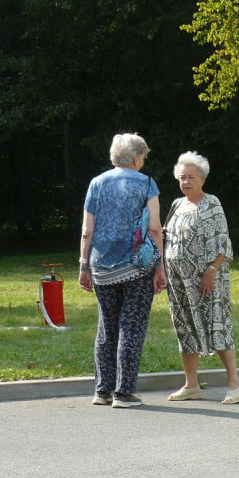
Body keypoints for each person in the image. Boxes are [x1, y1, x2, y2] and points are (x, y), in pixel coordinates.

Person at [78, 132, 168, 408]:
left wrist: (84, 266)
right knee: (132, 327)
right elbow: (154, 229)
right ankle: (123, 393)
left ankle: (102, 391)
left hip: (102, 267)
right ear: (137, 157)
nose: (144, 161)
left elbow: (87, 230)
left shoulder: (97, 183)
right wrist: (160, 267)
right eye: (143, 156)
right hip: (136, 267)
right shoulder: (147, 184)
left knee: (106, 328)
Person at [162, 152, 239, 404]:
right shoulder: (177, 204)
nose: (186, 182)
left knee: (217, 325)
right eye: (182, 177)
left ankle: (235, 383)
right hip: (179, 282)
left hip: (206, 280)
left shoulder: (211, 203)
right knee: (185, 327)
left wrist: (211, 271)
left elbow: (222, 242)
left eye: (191, 177)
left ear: (202, 179)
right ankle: (191, 385)